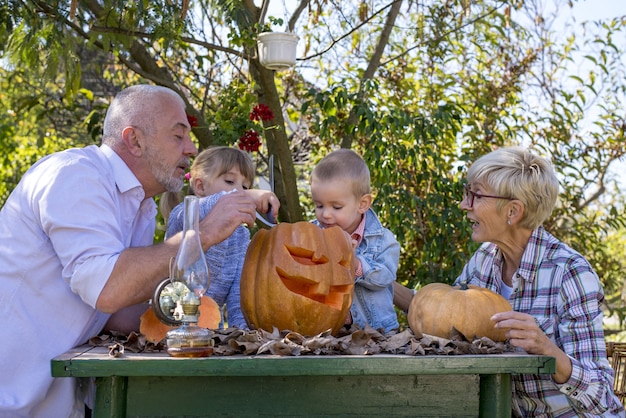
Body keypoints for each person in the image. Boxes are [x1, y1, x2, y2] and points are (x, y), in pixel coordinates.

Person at [0, 84, 279, 417]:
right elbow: (108, 288)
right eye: (178, 136)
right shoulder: (75, 176)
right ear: (134, 140)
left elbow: (115, 315)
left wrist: (212, 321)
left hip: (59, 402)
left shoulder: (140, 207)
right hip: (12, 398)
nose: (191, 149)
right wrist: (201, 235)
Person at [395, 146, 624, 417]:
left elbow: (601, 396)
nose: (463, 204)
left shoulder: (570, 273)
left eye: (476, 195)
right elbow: (438, 313)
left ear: (513, 211)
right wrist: (372, 280)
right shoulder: (485, 260)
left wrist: (548, 350)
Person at [161, 146, 256, 329]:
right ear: (200, 186)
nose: (239, 192)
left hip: (212, 328)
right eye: (229, 181)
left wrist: (243, 333)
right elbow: (207, 206)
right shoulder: (184, 214)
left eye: (245, 187)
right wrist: (239, 198)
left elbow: (238, 293)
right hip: (172, 323)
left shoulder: (241, 236)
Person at [309, 149, 400, 333]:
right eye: (319, 205)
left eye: (336, 207)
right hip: (330, 333)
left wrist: (356, 263)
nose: (325, 214)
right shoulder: (312, 235)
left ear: (362, 204)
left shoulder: (382, 240)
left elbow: (385, 277)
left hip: (376, 334)